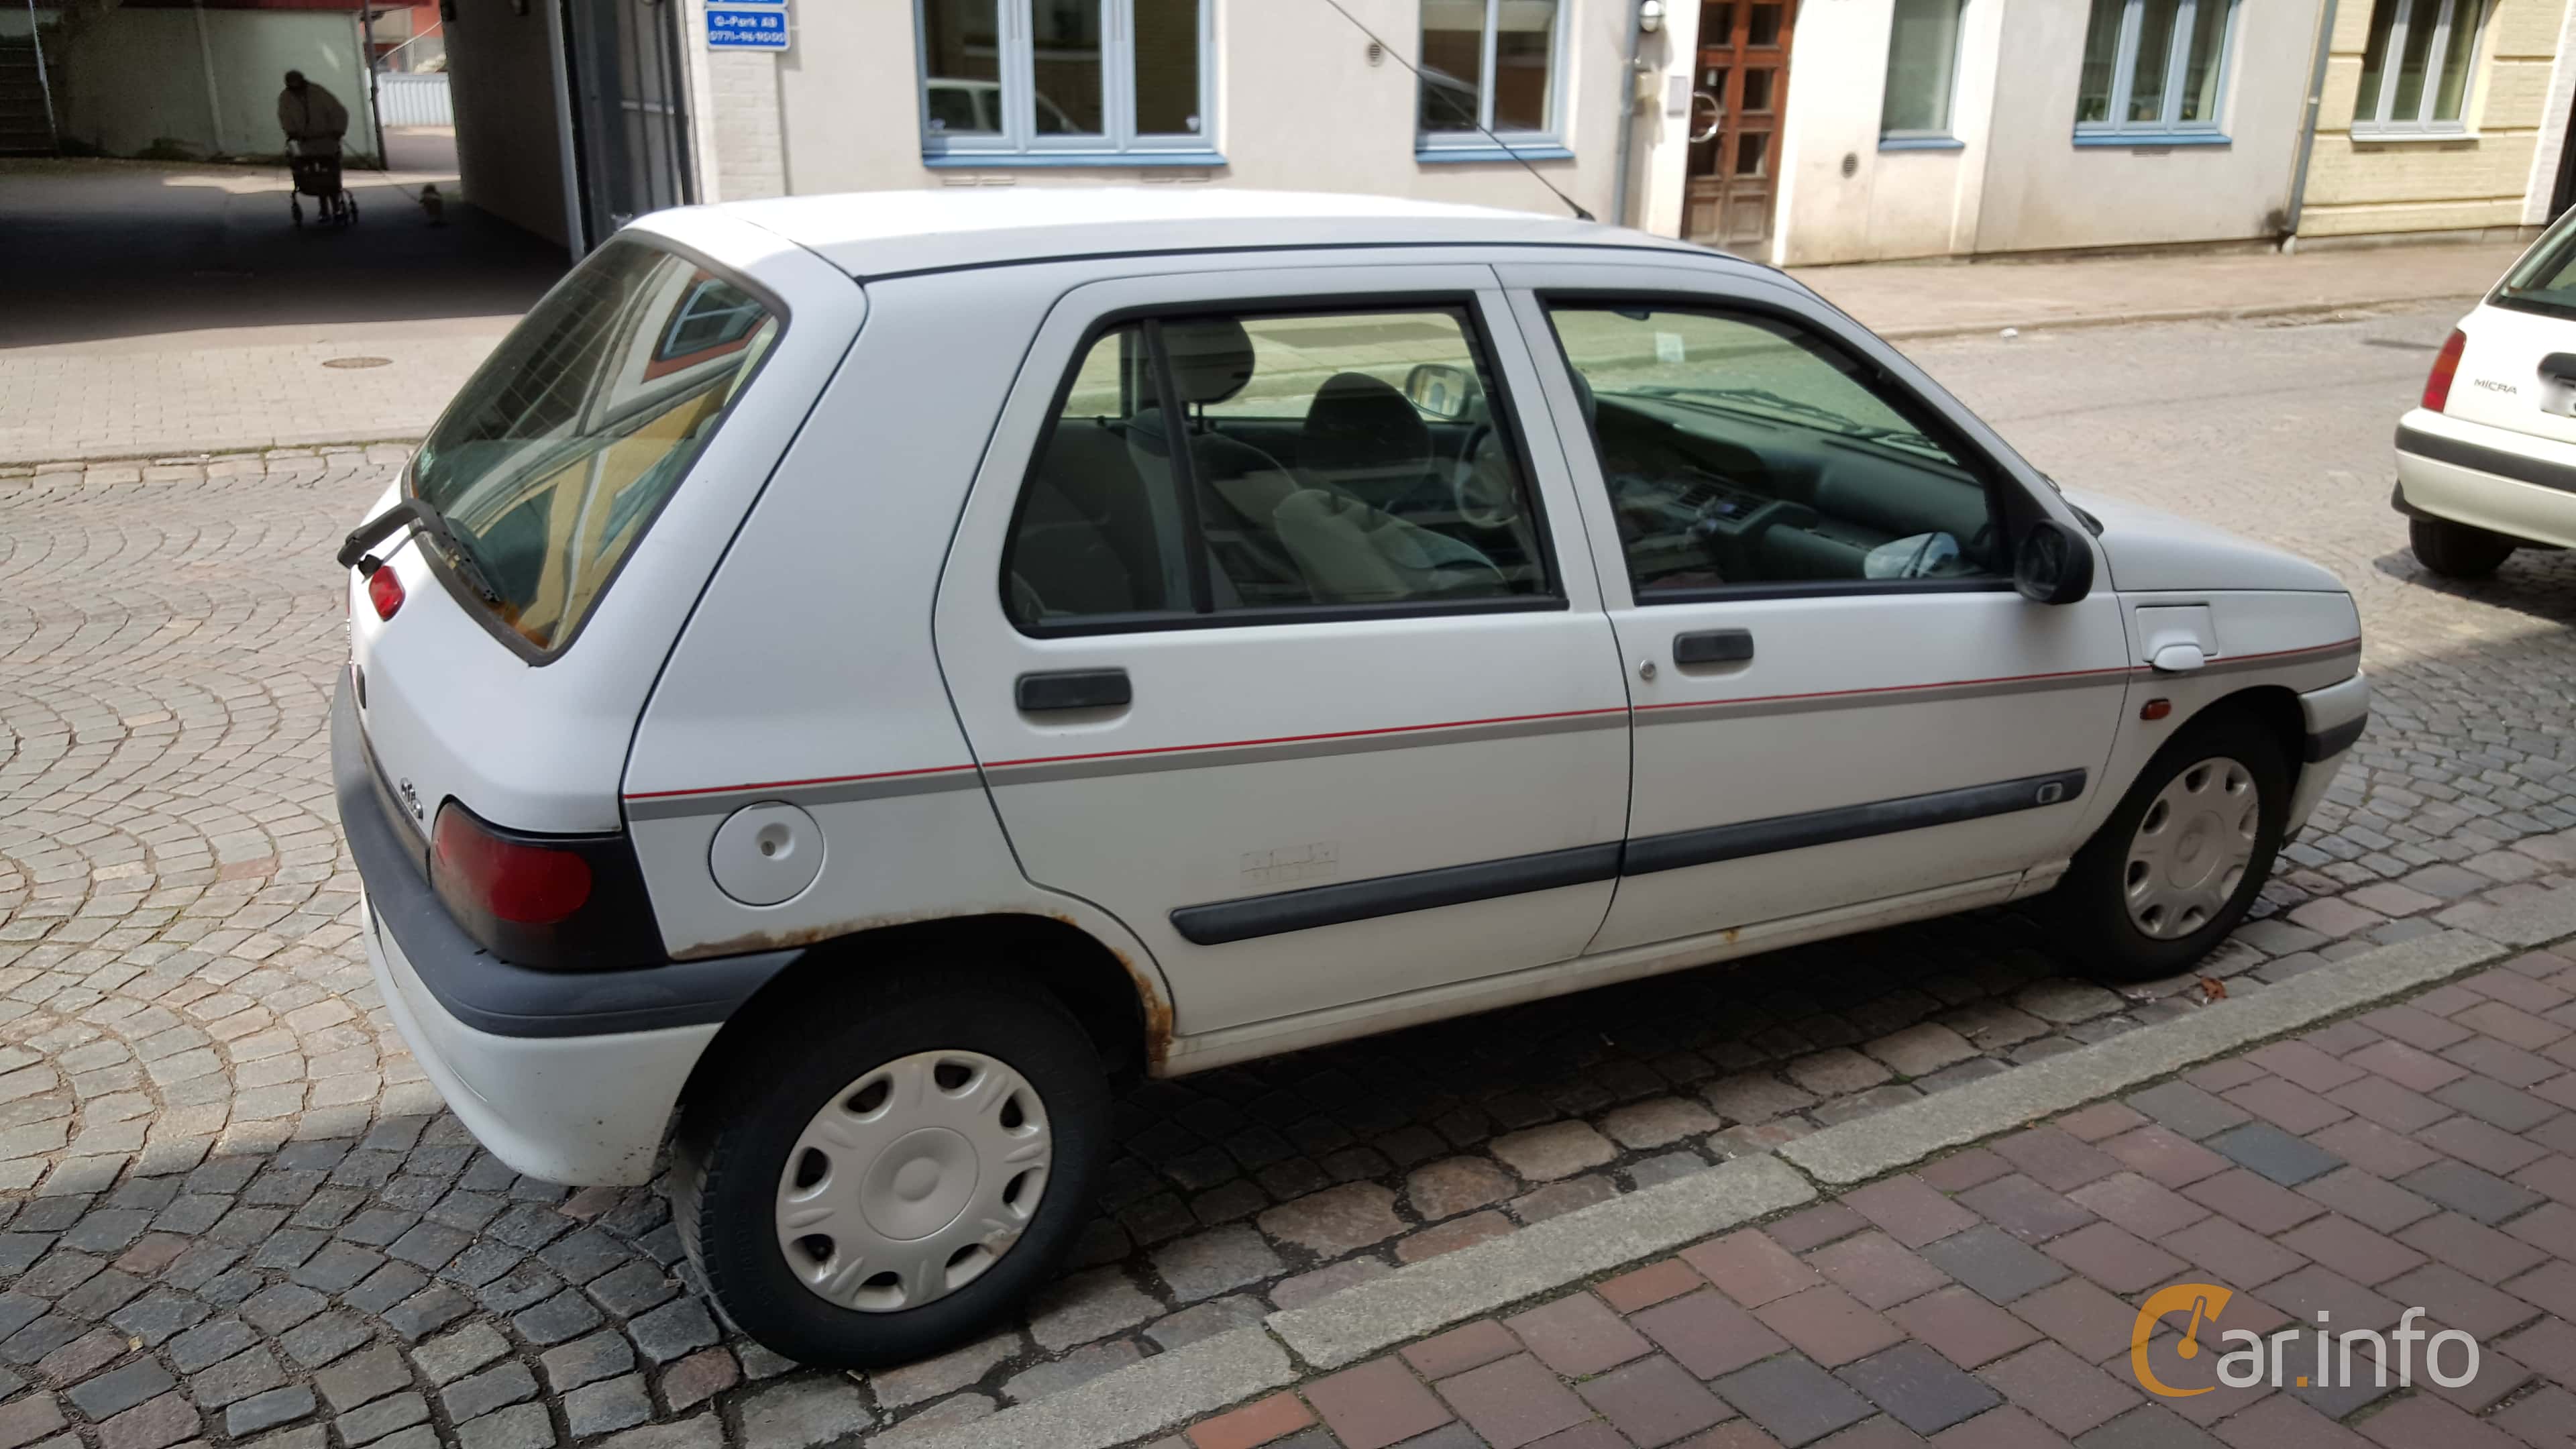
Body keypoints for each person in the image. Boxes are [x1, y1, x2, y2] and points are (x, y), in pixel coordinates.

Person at [277, 70, 349, 156]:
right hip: (304, 140)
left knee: (329, 160)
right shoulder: (286, 97)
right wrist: (291, 131)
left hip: (326, 137)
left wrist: (338, 130)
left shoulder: (318, 92)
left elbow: (337, 111)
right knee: (306, 161)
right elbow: (285, 116)